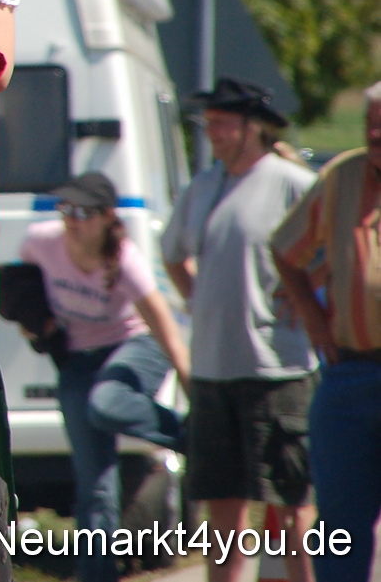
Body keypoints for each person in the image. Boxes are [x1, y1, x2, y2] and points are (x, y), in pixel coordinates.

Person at [160, 76, 316, 582]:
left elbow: (332, 255)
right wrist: (199, 300)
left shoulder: (292, 183)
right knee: (222, 506)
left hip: (277, 367)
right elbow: (173, 256)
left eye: (223, 123)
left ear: (255, 128)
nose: (213, 133)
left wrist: (310, 306)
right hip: (212, 367)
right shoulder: (204, 186)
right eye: (209, 124)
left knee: (292, 503)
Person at [22, 173, 189, 582]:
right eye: (66, 209)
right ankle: (98, 574)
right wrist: (30, 318)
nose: (71, 220)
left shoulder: (124, 259)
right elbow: (20, 287)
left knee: (107, 402)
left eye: (82, 212)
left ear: (105, 218)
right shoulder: (41, 241)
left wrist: (195, 390)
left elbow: (164, 324)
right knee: (94, 483)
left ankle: (196, 436)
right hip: (79, 358)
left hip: (135, 346)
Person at [271, 80, 381, 582]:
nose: (375, 136)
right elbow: (286, 248)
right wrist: (313, 318)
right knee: (339, 527)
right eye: (369, 126)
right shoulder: (343, 177)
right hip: (349, 373)